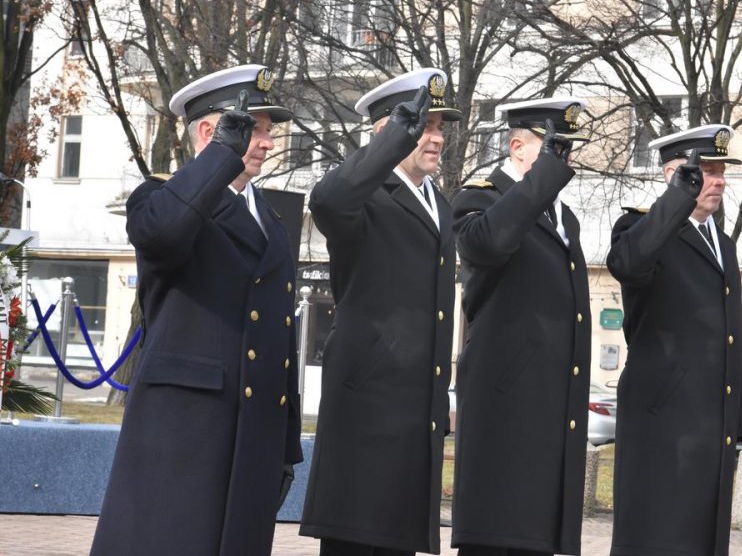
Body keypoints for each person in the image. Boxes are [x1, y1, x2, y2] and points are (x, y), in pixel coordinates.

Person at [91, 64, 302, 556]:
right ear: (212, 131)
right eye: (256, 129)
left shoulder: (270, 217)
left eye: (270, 130)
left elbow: (281, 332)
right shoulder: (160, 197)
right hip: (186, 429)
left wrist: (287, 440)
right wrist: (220, 159)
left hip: (253, 429)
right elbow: (162, 235)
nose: (269, 143)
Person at [299, 68, 460, 556]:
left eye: (438, 127)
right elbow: (326, 200)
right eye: (422, 126)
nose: (434, 137)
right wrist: (391, 143)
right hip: (368, 407)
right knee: (357, 541)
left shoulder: (439, 203)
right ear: (384, 131)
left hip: (415, 407)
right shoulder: (364, 194)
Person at [450, 98, 593, 556]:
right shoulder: (480, 196)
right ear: (516, 146)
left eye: (566, 150)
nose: (562, 160)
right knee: (499, 535)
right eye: (553, 148)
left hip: (551, 404)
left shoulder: (561, 216)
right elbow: (488, 243)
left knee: (537, 537)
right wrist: (546, 177)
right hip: (504, 405)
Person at [606, 124, 742, 556]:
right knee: (656, 539)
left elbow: (729, 336)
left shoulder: (721, 243)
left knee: (702, 540)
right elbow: (628, 264)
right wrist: (674, 202)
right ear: (675, 175)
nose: (719, 179)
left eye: (722, 170)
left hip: (711, 423)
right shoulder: (641, 229)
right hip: (663, 422)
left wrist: (736, 418)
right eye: (706, 169)